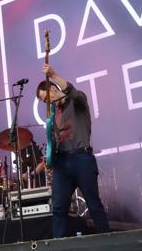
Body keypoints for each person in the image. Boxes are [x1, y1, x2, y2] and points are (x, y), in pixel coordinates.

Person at [37, 64, 110, 238]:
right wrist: (49, 159)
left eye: (45, 98)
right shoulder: (54, 116)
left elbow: (71, 91)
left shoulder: (78, 101)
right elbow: (56, 141)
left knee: (94, 205)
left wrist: (53, 74)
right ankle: (58, 249)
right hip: (62, 164)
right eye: (42, 101)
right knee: (58, 208)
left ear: (53, 90)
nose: (45, 103)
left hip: (81, 158)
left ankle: (108, 242)